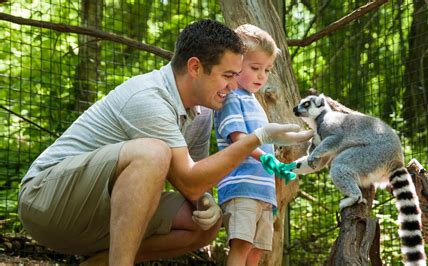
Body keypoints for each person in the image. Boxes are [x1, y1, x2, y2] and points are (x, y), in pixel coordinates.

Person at [17, 19, 313, 265]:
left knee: (204, 225)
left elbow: (194, 180)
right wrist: (257, 138)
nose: (235, 86)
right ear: (195, 67)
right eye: (227, 75)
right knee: (152, 153)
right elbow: (190, 180)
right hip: (46, 203)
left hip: (95, 221)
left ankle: (100, 262)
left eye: (237, 75)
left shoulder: (201, 113)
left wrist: (204, 202)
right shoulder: (149, 97)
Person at [214, 24, 291, 266]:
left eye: (267, 70)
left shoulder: (256, 102)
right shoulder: (231, 98)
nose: (262, 76)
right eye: (255, 68)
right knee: (242, 245)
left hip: (262, 193)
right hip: (240, 187)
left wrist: (271, 197)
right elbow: (237, 138)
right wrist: (267, 159)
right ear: (236, 65)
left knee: (257, 251)